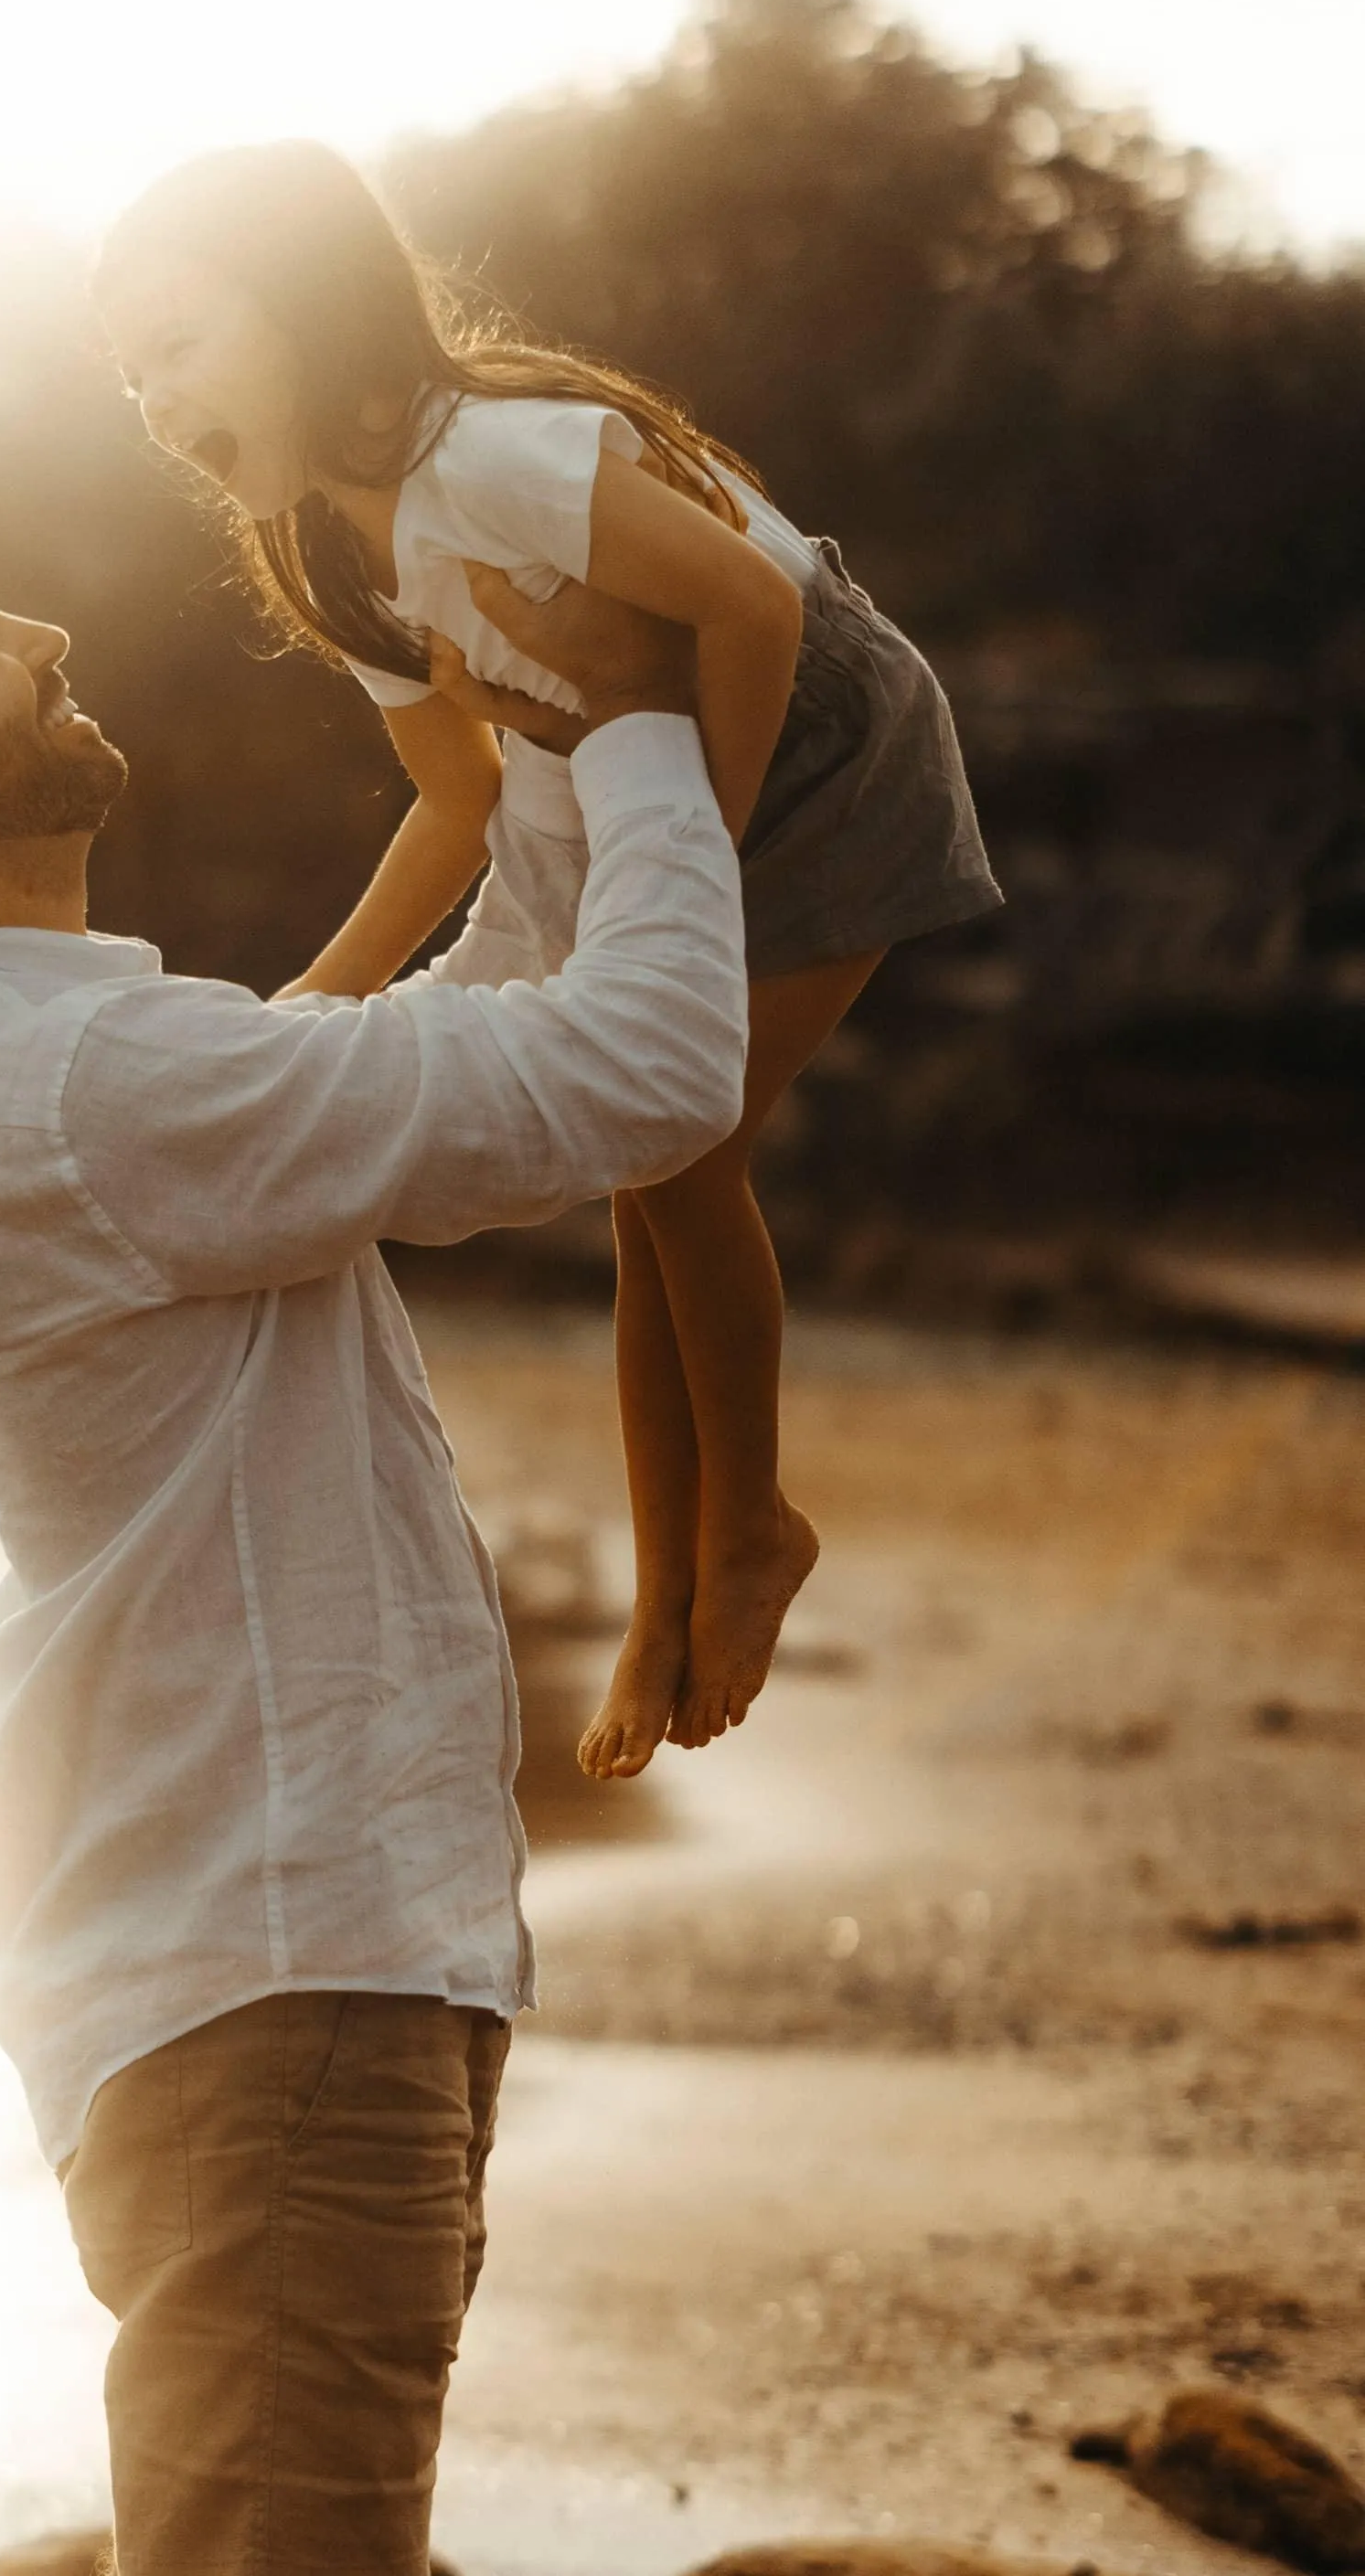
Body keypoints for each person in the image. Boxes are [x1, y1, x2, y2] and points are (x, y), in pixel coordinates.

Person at [0, 488, 747, 2576]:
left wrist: (556, 772)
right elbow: (658, 1066)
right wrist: (649, 714)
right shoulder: (82, 1086)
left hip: (286, 1964)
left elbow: (484, 1051)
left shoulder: (62, 1064)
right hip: (277, 1978)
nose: (39, 624)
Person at [97, 140, 1002, 1781]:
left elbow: (749, 609)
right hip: (626, 784)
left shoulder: (492, 462)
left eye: (180, 347)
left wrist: (695, 874)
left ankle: (746, 1537)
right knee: (647, 1168)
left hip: (818, 747)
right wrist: (323, 999)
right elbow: (459, 791)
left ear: (306, 314)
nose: (155, 402)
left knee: (685, 1145)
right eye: (129, 375)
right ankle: (676, 1590)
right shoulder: (330, 552)